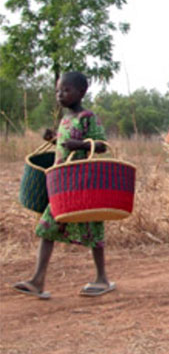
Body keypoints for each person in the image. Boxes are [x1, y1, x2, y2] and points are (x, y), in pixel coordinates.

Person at [13, 71, 115, 299]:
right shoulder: (65, 120)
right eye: (58, 91)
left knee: (94, 228)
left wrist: (79, 144)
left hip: (83, 183)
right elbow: (65, 145)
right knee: (47, 227)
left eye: (66, 90)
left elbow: (101, 145)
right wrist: (54, 140)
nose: (60, 95)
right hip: (63, 184)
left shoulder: (88, 117)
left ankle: (102, 278)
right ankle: (37, 281)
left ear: (82, 92)